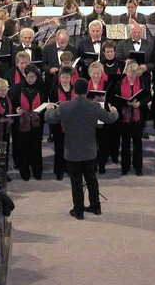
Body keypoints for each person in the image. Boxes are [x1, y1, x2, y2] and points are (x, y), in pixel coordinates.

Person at [46, 78, 119, 220]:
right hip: (90, 150)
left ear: (74, 91)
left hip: (72, 151)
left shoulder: (65, 106)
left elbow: (50, 118)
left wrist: (49, 109)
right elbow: (110, 118)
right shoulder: (95, 106)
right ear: (87, 91)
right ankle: (96, 207)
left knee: (76, 181)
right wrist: (114, 111)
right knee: (91, 179)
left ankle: (78, 210)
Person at [110, 62, 150, 176]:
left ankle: (138, 167)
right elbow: (115, 99)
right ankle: (125, 167)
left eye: (133, 73)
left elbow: (148, 96)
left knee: (138, 144)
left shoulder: (142, 82)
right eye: (129, 73)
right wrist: (125, 102)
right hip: (124, 118)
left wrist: (140, 103)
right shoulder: (119, 83)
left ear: (137, 73)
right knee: (125, 144)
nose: (131, 75)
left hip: (138, 118)